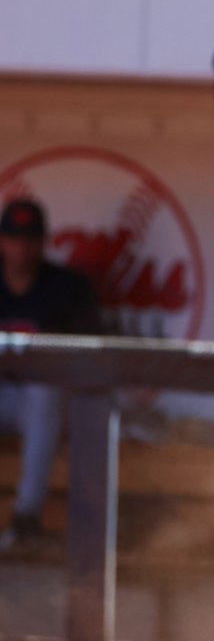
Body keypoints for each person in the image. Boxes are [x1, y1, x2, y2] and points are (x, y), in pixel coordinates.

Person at [0, 198, 102, 553]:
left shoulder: (66, 288)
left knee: (43, 391)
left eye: (30, 238)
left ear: (43, 241)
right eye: (14, 238)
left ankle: (26, 515)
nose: (21, 248)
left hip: (43, 406)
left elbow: (91, 357)